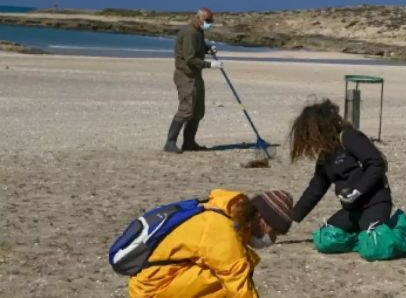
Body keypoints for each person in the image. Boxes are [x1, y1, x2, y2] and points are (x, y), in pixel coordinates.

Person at [128, 189, 294, 298]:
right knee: (225, 278)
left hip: (156, 279)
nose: (273, 240)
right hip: (152, 290)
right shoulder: (223, 231)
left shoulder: (225, 212)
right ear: (262, 221)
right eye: (274, 233)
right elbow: (239, 287)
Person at [289, 99, 392, 234]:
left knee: (374, 244)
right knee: (326, 238)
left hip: (375, 203)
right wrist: (291, 218)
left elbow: (377, 163)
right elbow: (316, 188)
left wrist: (358, 190)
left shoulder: (349, 137)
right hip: (352, 210)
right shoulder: (325, 155)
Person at [164, 8, 222, 154]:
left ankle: (189, 142)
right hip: (186, 75)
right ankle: (170, 143)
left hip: (196, 75)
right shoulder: (189, 33)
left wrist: (207, 48)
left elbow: (198, 47)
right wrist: (210, 64)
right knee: (186, 109)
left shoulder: (198, 31)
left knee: (197, 111)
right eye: (207, 20)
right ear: (198, 18)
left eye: (211, 21)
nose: (209, 23)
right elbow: (190, 59)